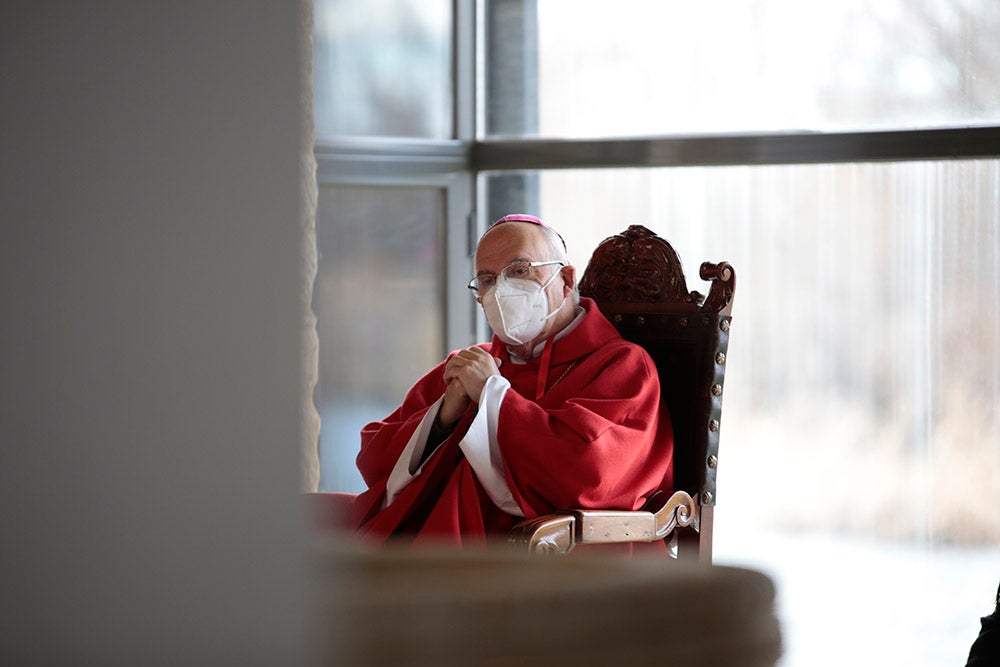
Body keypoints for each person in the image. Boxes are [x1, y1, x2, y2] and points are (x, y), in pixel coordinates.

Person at [346, 214, 673, 549]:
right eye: (487, 279)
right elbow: (373, 458)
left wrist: (493, 395)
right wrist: (444, 417)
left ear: (566, 278)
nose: (501, 290)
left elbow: (589, 474)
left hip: (556, 562)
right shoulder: (470, 364)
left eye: (519, 270)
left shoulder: (622, 365)